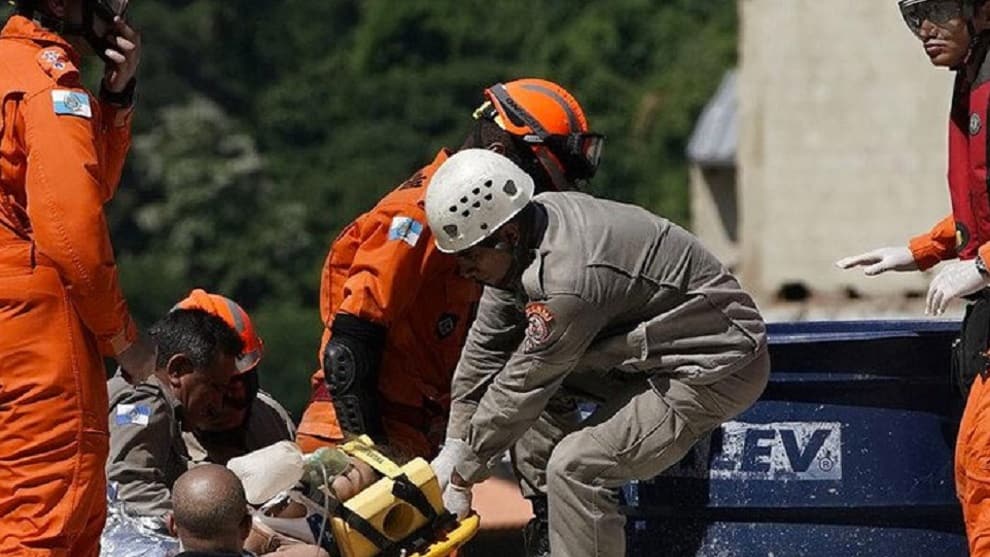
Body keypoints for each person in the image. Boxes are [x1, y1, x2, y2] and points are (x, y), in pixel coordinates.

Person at [424, 149, 771, 557]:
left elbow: (524, 383)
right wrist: (452, 448)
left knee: (576, 467)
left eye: (470, 256)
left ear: (508, 235)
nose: (464, 270)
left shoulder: (569, 278)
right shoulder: (525, 233)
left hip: (713, 364)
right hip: (645, 353)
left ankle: (573, 529)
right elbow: (483, 357)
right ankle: (554, 528)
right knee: (536, 400)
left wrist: (464, 474)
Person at [296, 78, 604, 463]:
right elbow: (349, 346)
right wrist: (372, 458)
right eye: (536, 185)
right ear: (497, 153)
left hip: (415, 439)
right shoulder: (416, 215)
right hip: (352, 437)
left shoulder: (490, 229)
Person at [0, 0, 154, 553]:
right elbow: (74, 239)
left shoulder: (8, 70)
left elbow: (83, 186)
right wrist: (124, 341)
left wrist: (115, 98)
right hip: (35, 352)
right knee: (47, 526)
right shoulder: (46, 87)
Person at [837, 1, 990, 553]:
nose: (924, 29)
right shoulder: (973, 77)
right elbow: (981, 206)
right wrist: (919, 250)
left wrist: (979, 266)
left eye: (937, 11)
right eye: (913, 16)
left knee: (984, 472)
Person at [106, 290, 293, 532]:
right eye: (215, 387)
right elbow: (129, 489)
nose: (218, 403)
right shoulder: (142, 402)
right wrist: (214, 531)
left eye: (233, 389)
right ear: (178, 369)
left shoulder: (268, 417)